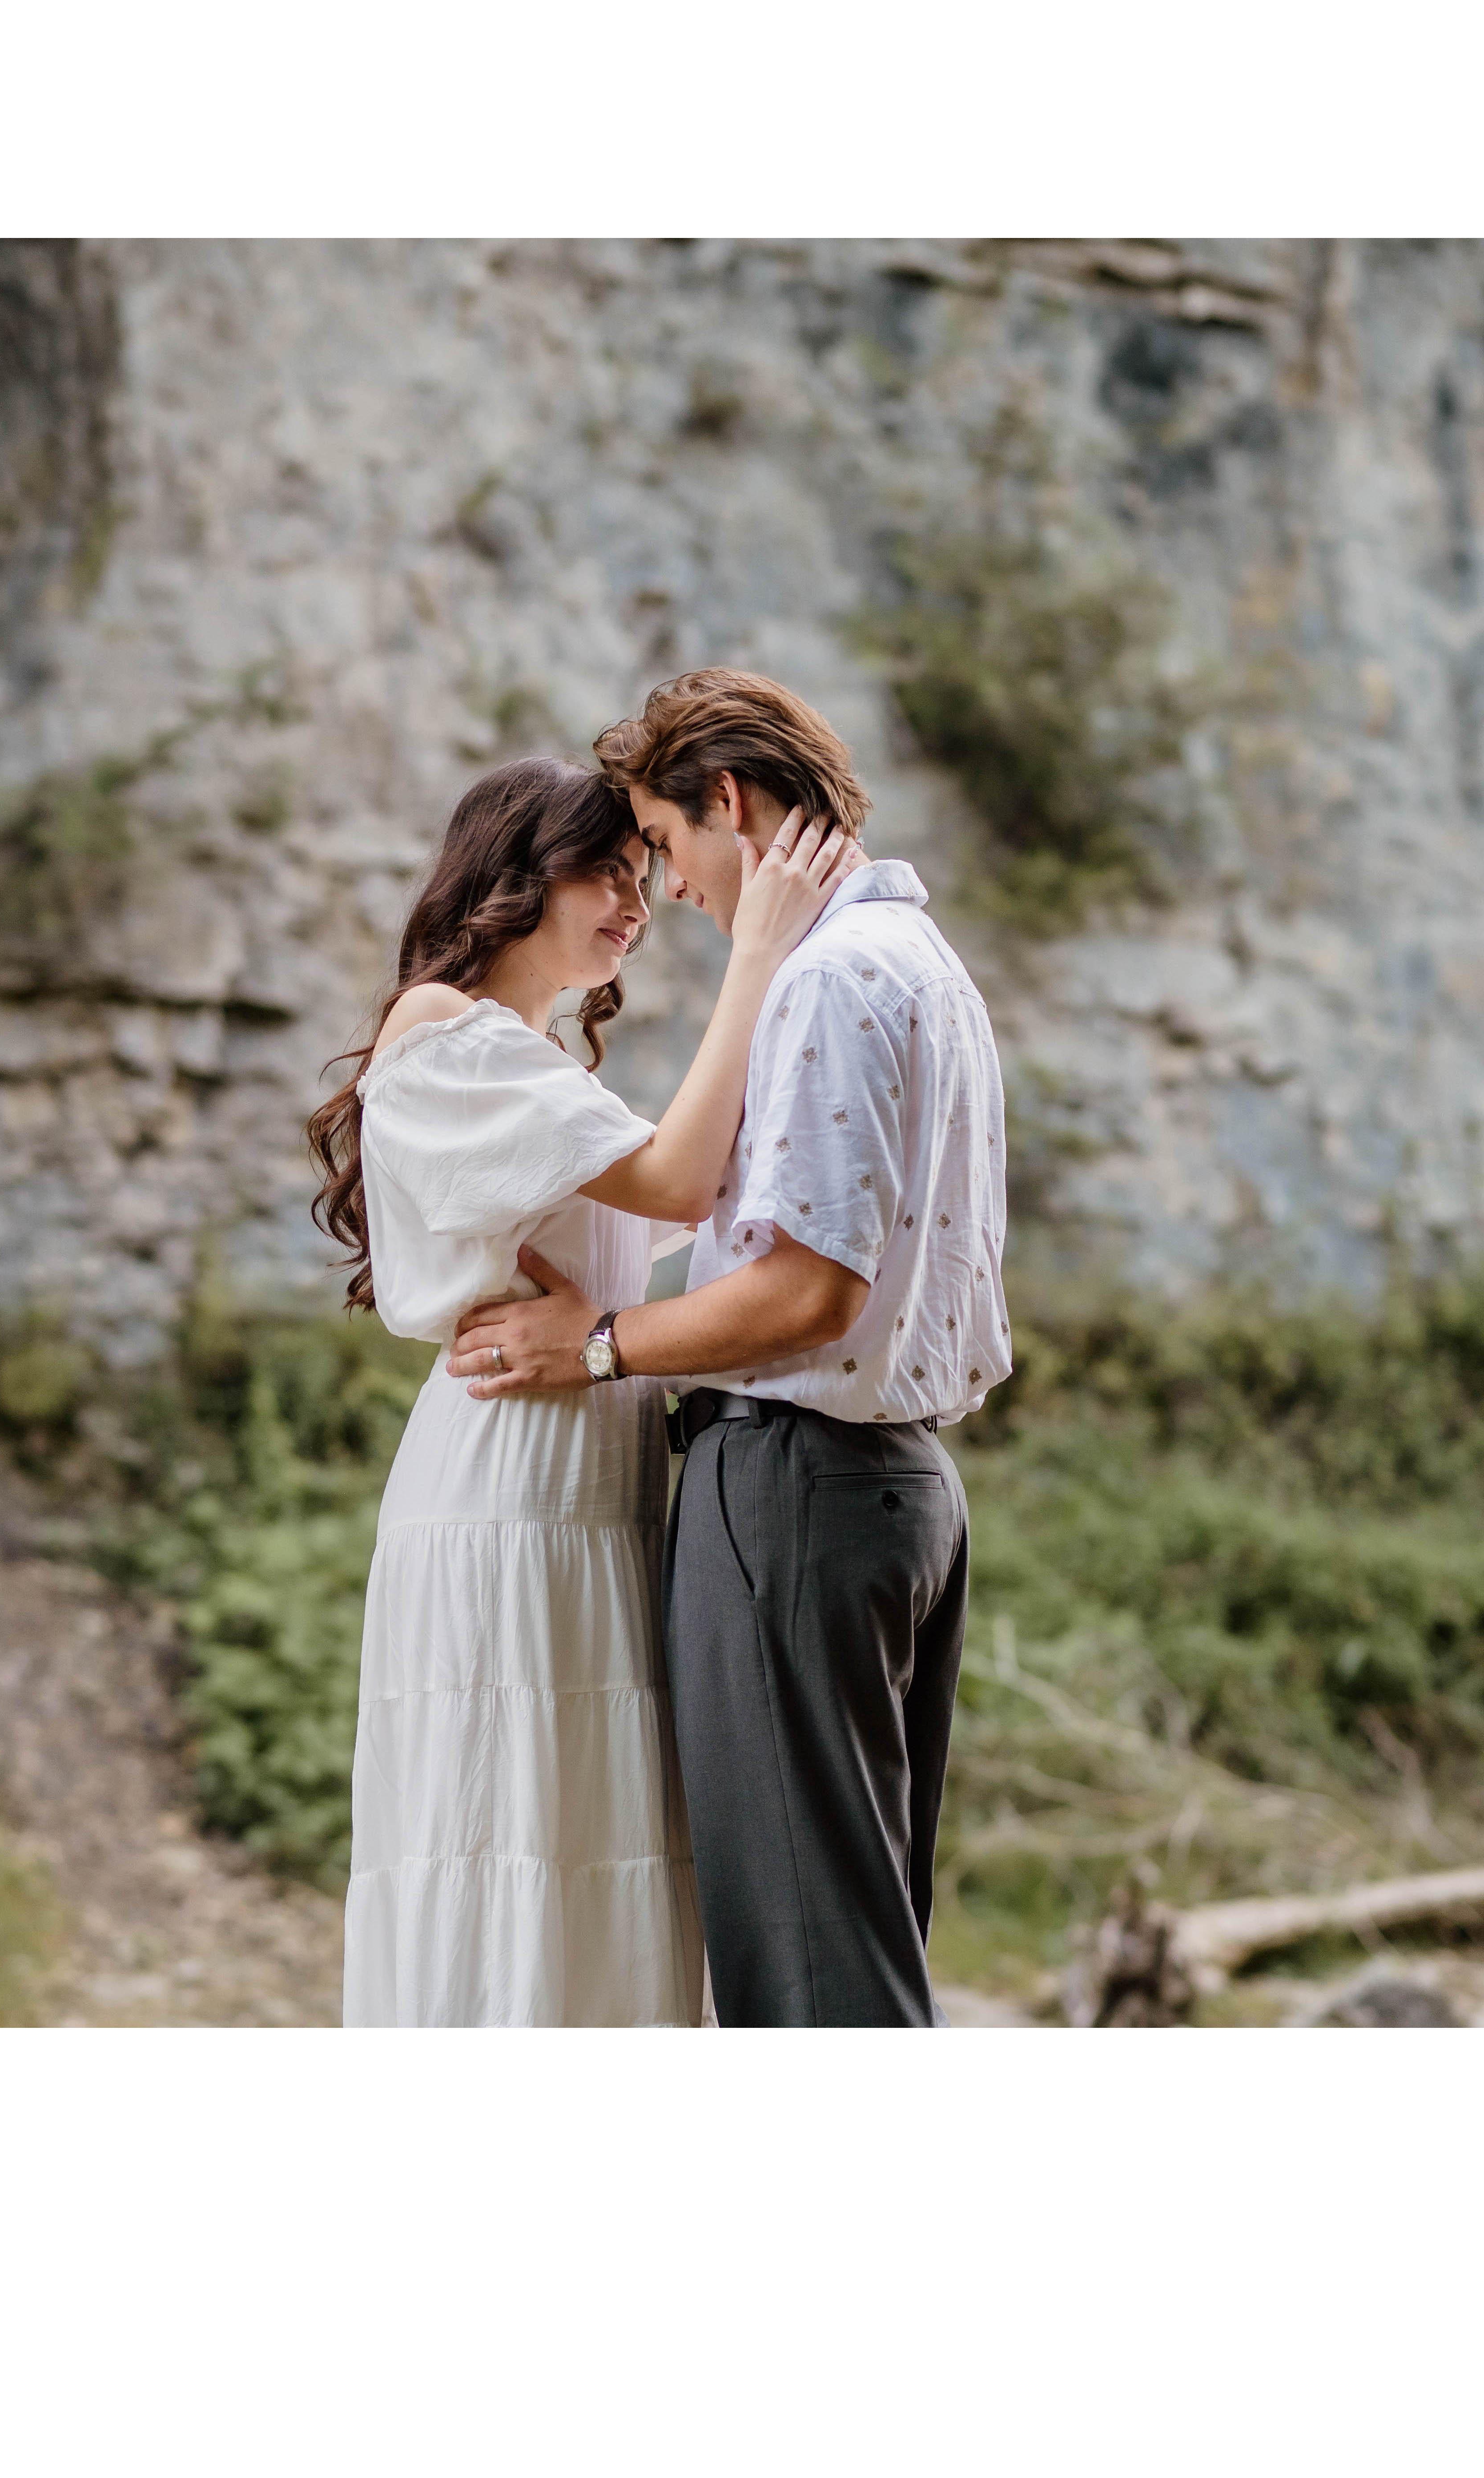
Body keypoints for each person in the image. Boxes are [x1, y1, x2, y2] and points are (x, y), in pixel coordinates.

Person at [450, 670, 1012, 2027]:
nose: (671, 889)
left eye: (664, 841)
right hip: (899, 1492)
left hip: (796, 1488)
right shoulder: (927, 966)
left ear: (730, 801)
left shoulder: (829, 981)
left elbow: (807, 1292)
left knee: (805, 1982)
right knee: (861, 1954)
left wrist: (596, 1344)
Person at [308, 753, 855, 2026]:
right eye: (604, 873)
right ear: (516, 877)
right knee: (512, 1844)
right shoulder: (443, 1031)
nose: (636, 904)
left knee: (592, 1850)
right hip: (510, 1488)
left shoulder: (539, 1063)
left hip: (593, 1486)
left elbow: (700, 1194)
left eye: (642, 875)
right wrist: (758, 956)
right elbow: (678, 1182)